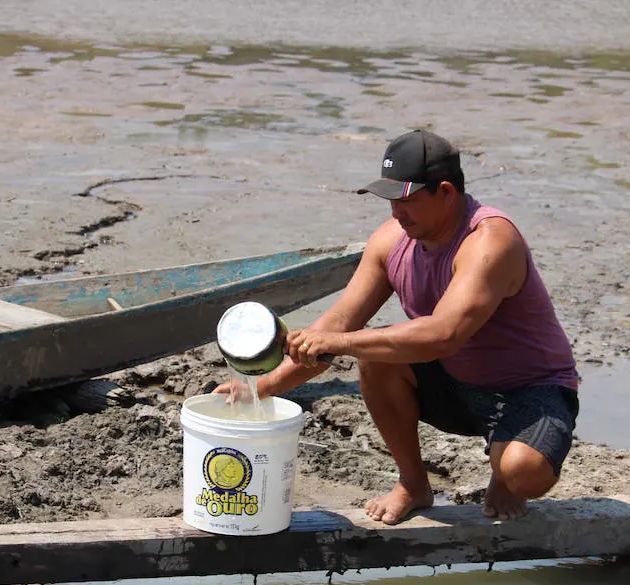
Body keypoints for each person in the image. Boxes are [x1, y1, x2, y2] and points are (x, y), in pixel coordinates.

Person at [225, 129, 579, 524]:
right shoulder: (390, 242)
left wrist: (340, 341)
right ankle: (413, 484)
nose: (397, 213)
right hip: (455, 385)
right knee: (376, 358)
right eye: (391, 201)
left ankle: (504, 468)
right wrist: (260, 387)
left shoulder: (490, 241)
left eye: (407, 201)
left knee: (522, 471)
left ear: (446, 192)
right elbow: (336, 323)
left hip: (528, 388)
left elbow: (443, 335)